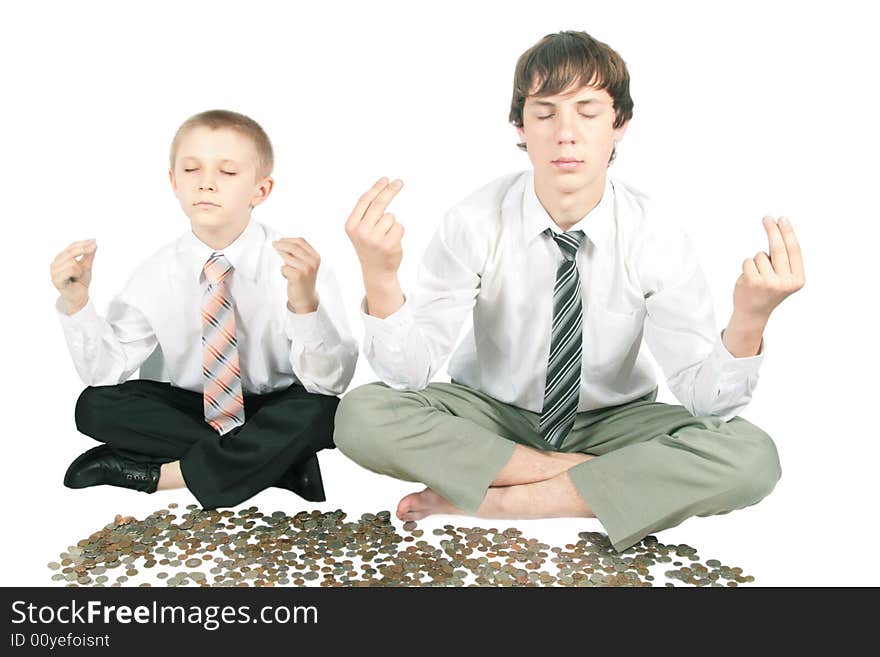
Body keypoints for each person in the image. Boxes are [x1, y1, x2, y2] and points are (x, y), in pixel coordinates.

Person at [334, 31, 805, 552]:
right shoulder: (474, 220)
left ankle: (506, 499)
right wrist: (379, 275)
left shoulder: (655, 232)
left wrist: (751, 316)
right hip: (489, 415)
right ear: (519, 125)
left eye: (588, 111)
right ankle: (592, 480)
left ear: (619, 124)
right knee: (360, 416)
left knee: (751, 456)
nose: (566, 134)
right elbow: (407, 374)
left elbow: (706, 402)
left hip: (612, 421)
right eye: (545, 113)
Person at [50, 109, 357, 509]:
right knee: (93, 407)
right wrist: (77, 303)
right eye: (192, 170)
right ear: (174, 183)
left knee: (325, 413)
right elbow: (106, 373)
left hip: (276, 404)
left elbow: (327, 383)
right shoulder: (154, 273)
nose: (207, 184)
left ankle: (160, 476)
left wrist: (303, 302)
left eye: (227, 173)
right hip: (193, 409)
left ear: (260, 191)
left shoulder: (296, 264)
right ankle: (279, 464)